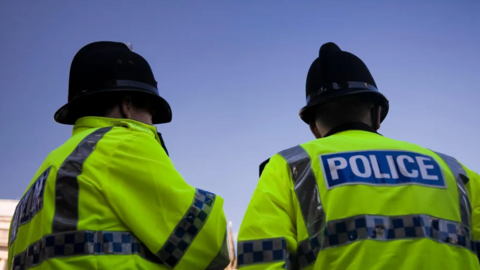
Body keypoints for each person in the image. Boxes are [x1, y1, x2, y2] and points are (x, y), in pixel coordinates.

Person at [236, 42, 480, 270]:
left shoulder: (289, 166)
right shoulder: (456, 171)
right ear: (376, 114)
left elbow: (261, 258)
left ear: (314, 128)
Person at [7, 41, 230, 270]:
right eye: (151, 113)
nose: (152, 123)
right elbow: (209, 246)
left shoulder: (43, 177)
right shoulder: (121, 144)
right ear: (128, 105)